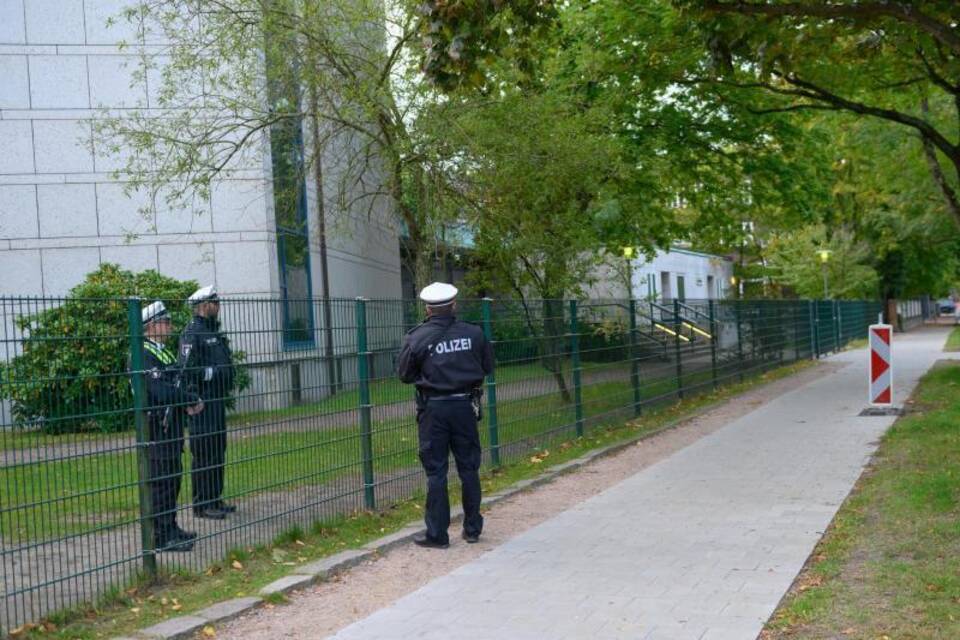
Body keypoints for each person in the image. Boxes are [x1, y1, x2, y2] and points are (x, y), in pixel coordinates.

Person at [397, 282, 494, 548]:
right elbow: (487, 366)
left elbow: (405, 375)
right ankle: (472, 528)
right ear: (454, 305)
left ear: (427, 308)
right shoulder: (474, 334)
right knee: (469, 468)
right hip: (464, 406)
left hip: (434, 410)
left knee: (436, 472)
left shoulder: (416, 337)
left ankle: (438, 534)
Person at [133, 301, 204, 552]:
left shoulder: (162, 351)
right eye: (166, 322)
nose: (170, 326)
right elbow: (160, 391)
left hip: (170, 426)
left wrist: (185, 398)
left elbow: (174, 383)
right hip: (156, 427)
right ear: (151, 326)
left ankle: (171, 527)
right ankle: (161, 536)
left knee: (173, 478)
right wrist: (189, 400)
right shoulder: (142, 353)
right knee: (162, 482)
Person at [179, 285, 236, 519]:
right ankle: (202, 504)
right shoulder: (193, 333)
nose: (218, 306)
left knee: (217, 449)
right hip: (202, 403)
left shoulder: (213, 332)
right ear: (205, 306)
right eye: (215, 302)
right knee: (204, 451)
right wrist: (213, 374)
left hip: (217, 401)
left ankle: (215, 498)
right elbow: (187, 369)